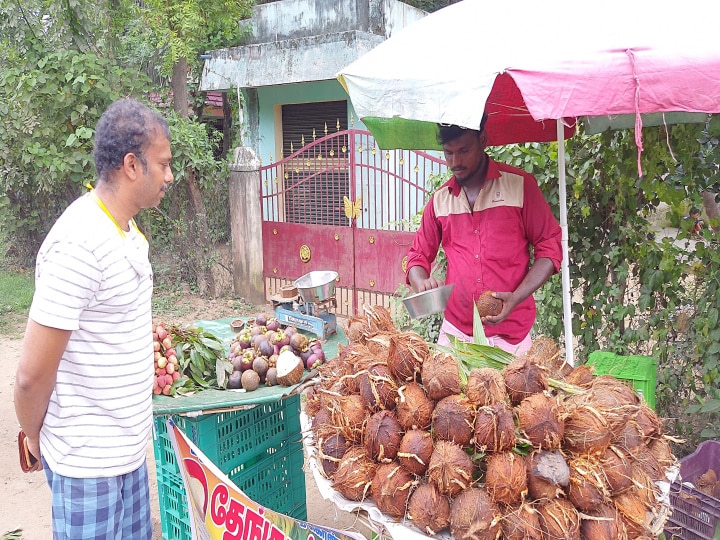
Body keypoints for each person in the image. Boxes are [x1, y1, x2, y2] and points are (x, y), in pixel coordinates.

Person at [14, 98, 173, 539]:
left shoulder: (124, 230)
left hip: (126, 456)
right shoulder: (78, 243)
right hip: (86, 467)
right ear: (131, 166)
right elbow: (30, 376)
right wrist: (33, 438)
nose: (170, 176)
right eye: (163, 164)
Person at [406, 117, 562, 355]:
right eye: (448, 153)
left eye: (464, 151)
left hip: (511, 338)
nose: (455, 162)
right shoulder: (440, 199)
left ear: (483, 140)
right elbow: (417, 255)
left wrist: (515, 298)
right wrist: (420, 282)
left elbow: (550, 248)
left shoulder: (520, 186)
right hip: (456, 333)